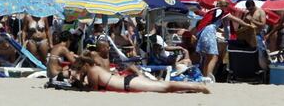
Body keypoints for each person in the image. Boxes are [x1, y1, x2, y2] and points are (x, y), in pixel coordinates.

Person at [71, 56, 210, 93]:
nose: (80, 72)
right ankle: (193, 87)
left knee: (165, 87)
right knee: (164, 86)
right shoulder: (95, 68)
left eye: (80, 70)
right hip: (129, 81)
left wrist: (79, 82)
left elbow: (93, 89)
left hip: (129, 83)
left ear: (84, 66)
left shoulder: (92, 71)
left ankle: (198, 86)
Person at [196, 0, 253, 78]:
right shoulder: (223, 12)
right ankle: (209, 78)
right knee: (214, 56)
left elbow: (213, 24)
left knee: (208, 56)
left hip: (204, 32)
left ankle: (204, 77)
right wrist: (247, 25)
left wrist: (222, 32)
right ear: (225, 6)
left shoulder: (213, 11)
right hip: (209, 32)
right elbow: (237, 20)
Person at [245, 0, 268, 69]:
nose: (250, 11)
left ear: (254, 5)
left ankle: (262, 69)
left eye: (251, 9)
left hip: (258, 35)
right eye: (249, 9)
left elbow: (263, 24)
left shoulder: (260, 12)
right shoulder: (247, 13)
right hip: (249, 36)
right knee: (250, 54)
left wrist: (252, 20)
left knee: (260, 53)